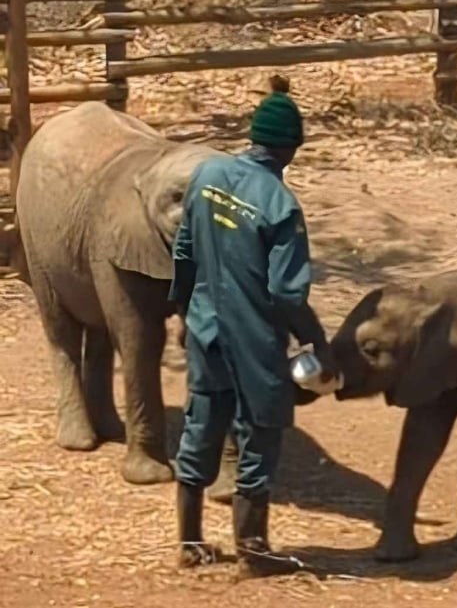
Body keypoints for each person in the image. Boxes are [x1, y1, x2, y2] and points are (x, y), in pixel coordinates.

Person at [169, 76, 336, 576]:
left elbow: (184, 251)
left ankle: (190, 542)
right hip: (255, 342)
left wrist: (183, 313)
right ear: (290, 148)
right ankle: (254, 551)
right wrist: (316, 340)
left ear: (253, 137)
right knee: (259, 434)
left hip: (205, 329)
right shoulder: (280, 204)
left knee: (201, 425)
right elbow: (286, 293)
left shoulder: (207, 174)